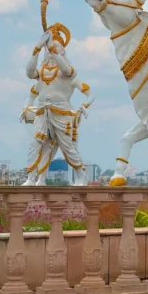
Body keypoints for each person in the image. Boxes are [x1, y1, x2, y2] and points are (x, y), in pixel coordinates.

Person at [20, 24, 93, 186]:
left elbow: (67, 71)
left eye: (57, 46)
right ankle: (31, 178)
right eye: (50, 47)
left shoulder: (69, 71)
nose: (51, 49)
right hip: (42, 112)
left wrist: (85, 105)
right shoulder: (41, 71)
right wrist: (36, 49)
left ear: (62, 50)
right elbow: (29, 73)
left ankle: (81, 175)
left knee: (67, 147)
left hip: (62, 113)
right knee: (36, 143)